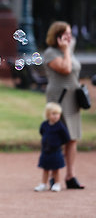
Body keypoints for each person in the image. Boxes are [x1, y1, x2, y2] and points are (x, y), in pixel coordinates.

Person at [43, 21, 85, 189]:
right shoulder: (50, 53)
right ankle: (55, 176)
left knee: (73, 138)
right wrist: (66, 50)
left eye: (70, 33)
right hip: (59, 98)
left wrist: (68, 47)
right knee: (57, 138)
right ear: (57, 35)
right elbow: (66, 69)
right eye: (66, 33)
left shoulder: (68, 49)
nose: (70, 37)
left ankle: (70, 175)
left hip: (73, 97)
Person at [34, 102, 70, 192]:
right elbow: (42, 132)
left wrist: (58, 144)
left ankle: (57, 183)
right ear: (47, 114)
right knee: (45, 168)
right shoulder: (44, 125)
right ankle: (43, 184)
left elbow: (66, 137)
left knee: (56, 169)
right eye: (53, 114)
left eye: (58, 114)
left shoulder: (60, 126)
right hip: (46, 150)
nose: (56, 116)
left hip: (56, 151)